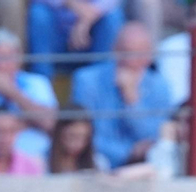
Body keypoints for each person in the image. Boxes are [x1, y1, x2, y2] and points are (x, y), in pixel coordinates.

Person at [70, 21, 172, 168]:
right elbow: (82, 134)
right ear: (114, 49)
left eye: (137, 54)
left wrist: (132, 102)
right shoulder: (87, 80)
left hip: (145, 164)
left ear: (149, 56)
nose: (129, 60)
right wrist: (127, 153)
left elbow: (156, 136)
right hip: (98, 162)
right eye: (125, 51)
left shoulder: (160, 86)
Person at [0, 28, 58, 161]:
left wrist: (12, 92)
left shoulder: (38, 82)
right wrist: (30, 120)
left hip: (38, 156)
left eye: (5, 58)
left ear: (18, 58)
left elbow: (50, 124)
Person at [26, 0, 124, 78]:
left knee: (113, 17)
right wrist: (71, 3)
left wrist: (86, 20)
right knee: (38, 13)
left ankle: (99, 79)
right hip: (56, 37)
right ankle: (41, 82)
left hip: (91, 36)